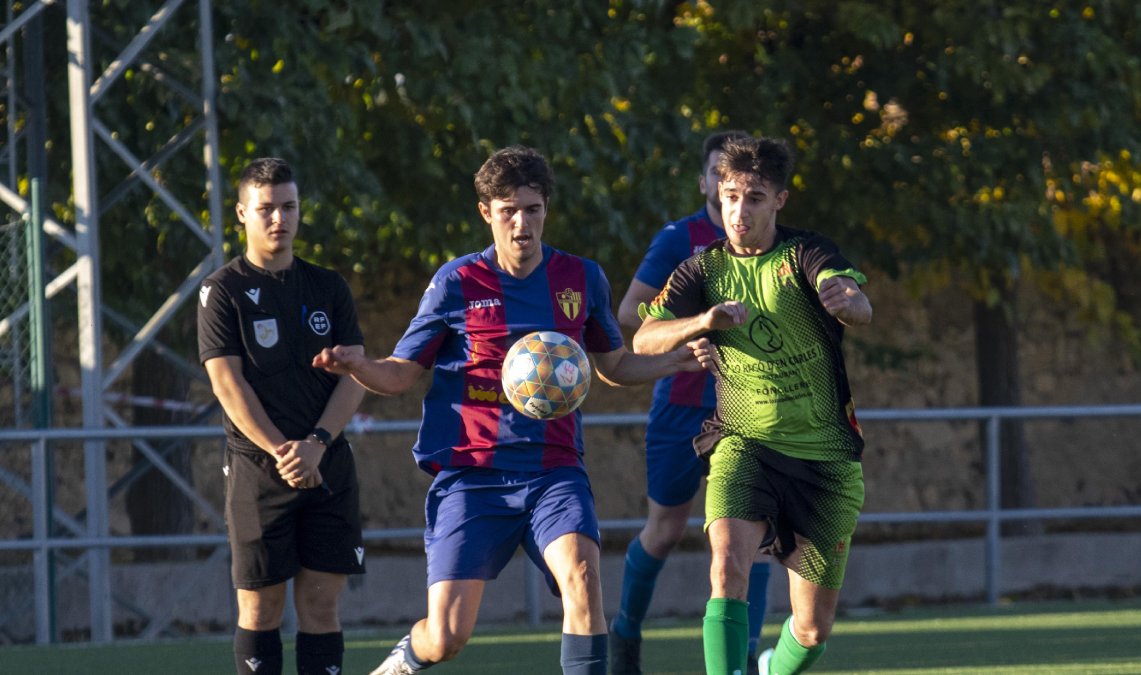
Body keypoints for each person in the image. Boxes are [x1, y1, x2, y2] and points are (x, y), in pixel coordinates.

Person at [311, 146, 703, 675]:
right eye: (509, 210)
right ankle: (404, 660)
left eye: (533, 209)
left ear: (546, 210)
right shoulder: (456, 283)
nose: (523, 223)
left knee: (583, 579)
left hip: (554, 471)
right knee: (446, 636)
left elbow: (611, 364)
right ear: (486, 213)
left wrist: (675, 361)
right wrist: (358, 365)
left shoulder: (581, 278)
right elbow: (402, 374)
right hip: (473, 475)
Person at [632, 136, 872, 675]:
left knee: (811, 630)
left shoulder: (806, 252)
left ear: (780, 200)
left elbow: (857, 302)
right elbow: (644, 338)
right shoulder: (701, 269)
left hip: (824, 457)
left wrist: (849, 301)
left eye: (756, 198)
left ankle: (768, 668)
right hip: (744, 442)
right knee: (725, 568)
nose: (739, 211)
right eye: (732, 195)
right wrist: (701, 322)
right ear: (719, 191)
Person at [611, 130, 773, 675]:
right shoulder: (680, 239)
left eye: (749, 188)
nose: (735, 195)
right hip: (682, 404)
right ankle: (625, 635)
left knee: (758, 534)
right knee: (665, 530)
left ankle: (745, 657)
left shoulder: (776, 244)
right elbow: (632, 314)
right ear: (708, 182)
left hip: (751, 407)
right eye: (722, 180)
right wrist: (692, 327)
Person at [198, 157, 367, 675]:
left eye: (288, 206)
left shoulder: (328, 286)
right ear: (242, 214)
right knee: (261, 609)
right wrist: (283, 452)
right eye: (266, 208)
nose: (279, 218)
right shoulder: (221, 291)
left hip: (328, 466)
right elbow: (228, 384)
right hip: (259, 472)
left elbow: (354, 375)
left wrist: (316, 442)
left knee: (320, 606)